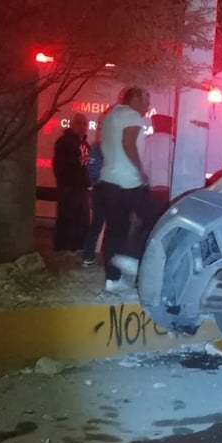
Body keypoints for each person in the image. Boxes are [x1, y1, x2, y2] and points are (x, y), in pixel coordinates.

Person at [97, 87, 153, 293]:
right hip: (129, 181)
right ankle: (131, 257)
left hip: (108, 180)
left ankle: (112, 280)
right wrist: (141, 170)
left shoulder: (111, 115)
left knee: (115, 230)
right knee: (152, 220)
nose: (147, 107)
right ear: (135, 98)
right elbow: (128, 144)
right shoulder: (132, 115)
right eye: (146, 101)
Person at [52, 113, 91, 252]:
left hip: (82, 187)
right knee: (67, 217)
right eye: (79, 123)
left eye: (85, 124)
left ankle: (78, 247)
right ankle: (63, 248)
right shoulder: (64, 142)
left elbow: (86, 166)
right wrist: (66, 184)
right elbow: (59, 165)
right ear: (72, 124)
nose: (83, 127)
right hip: (69, 187)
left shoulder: (85, 144)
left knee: (82, 218)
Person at [81, 133, 106, 266]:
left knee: (96, 223)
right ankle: (110, 256)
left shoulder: (96, 148)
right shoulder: (117, 148)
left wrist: (93, 184)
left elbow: (90, 170)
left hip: (99, 189)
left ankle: (88, 255)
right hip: (111, 189)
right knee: (115, 225)